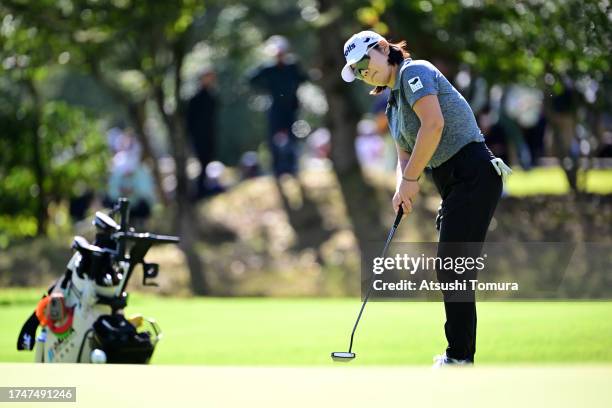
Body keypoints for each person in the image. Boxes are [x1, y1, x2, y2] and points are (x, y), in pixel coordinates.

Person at [341, 30, 512, 367]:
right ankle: (460, 356)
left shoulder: (413, 72)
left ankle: (460, 357)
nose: (364, 72)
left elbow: (433, 125)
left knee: (453, 267)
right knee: (450, 267)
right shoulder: (392, 107)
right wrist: (401, 187)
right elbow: (404, 156)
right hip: (451, 183)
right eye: (357, 71)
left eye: (365, 62)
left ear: (382, 49)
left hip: (474, 171)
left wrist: (410, 179)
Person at [248, 35, 308, 176]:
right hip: (276, 108)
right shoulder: (268, 69)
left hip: (291, 107)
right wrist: (267, 89)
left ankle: (292, 166)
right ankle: (277, 169)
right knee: (273, 138)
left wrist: (294, 90)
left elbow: (303, 78)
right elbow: (251, 79)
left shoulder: (292, 66)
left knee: (292, 138)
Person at [187, 69, 218, 198]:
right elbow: (190, 121)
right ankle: (199, 192)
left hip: (208, 136)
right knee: (201, 162)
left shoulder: (211, 96)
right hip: (199, 137)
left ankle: (202, 190)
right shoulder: (196, 98)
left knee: (206, 162)